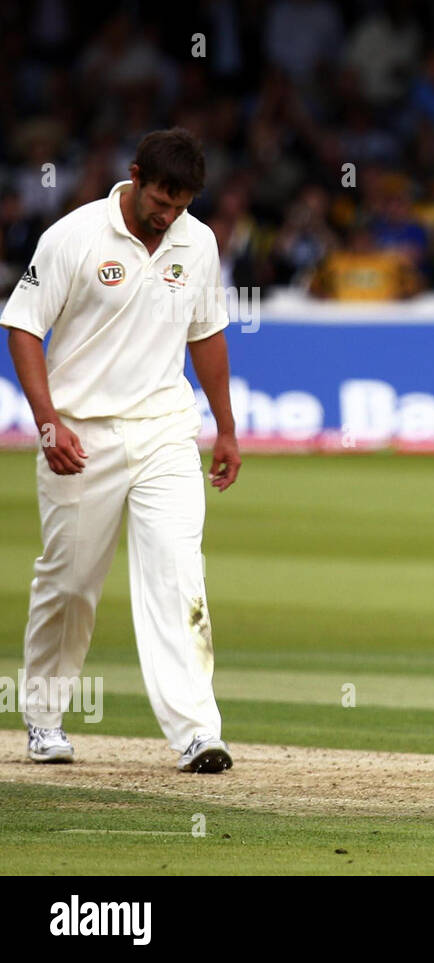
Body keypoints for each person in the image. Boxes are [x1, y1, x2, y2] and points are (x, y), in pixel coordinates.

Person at [2, 128, 241, 773]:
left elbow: (208, 334)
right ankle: (45, 719)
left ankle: (197, 731)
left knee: (177, 572)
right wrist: (48, 422)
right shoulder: (74, 235)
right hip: (81, 434)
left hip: (165, 427)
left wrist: (225, 426)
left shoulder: (198, 240)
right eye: (161, 199)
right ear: (135, 177)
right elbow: (22, 326)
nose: (168, 214)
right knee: (71, 583)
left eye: (182, 203)